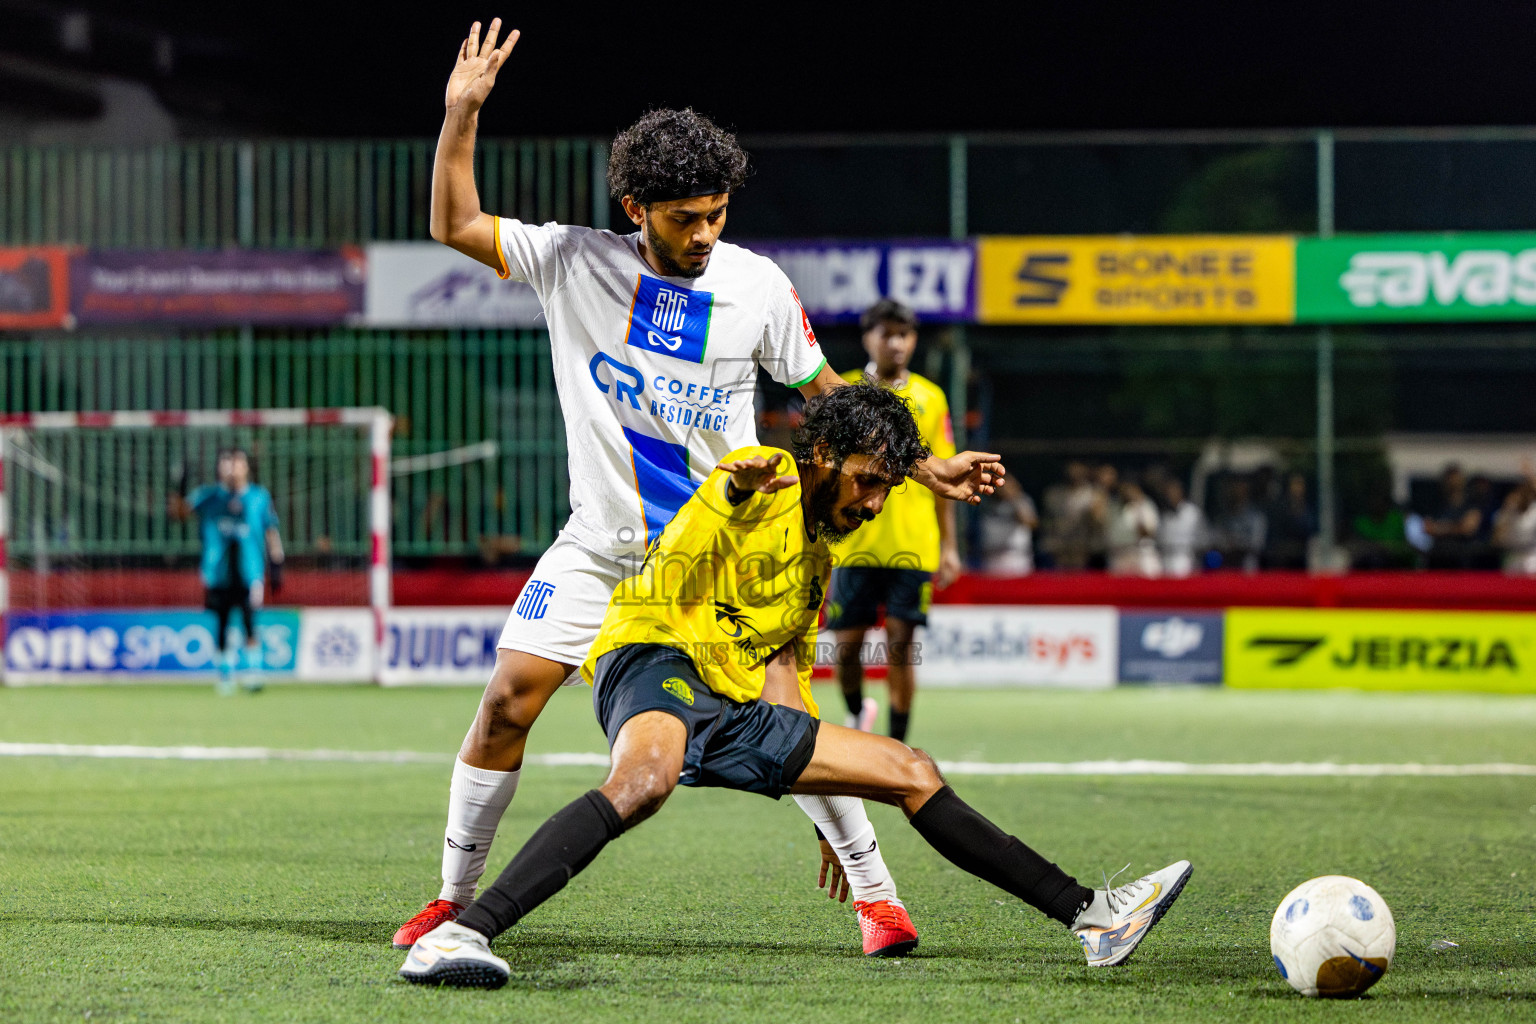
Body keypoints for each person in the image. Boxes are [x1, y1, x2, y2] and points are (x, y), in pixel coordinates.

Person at [396, 18, 1006, 955]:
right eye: (688, 218)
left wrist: (922, 465)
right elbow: (453, 223)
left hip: (723, 553)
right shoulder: (572, 261)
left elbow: (830, 401)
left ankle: (880, 902)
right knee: (506, 703)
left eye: (719, 214)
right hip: (602, 546)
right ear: (637, 206)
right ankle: (452, 897)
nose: (706, 234)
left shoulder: (756, 286)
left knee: (793, 714)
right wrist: (459, 115)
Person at [397, 385, 1192, 988]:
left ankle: (1092, 916)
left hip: (735, 706)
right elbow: (717, 510)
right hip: (656, 654)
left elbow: (787, 682)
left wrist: (823, 798)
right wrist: (733, 490)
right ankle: (465, 930)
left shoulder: (820, 561)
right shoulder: (772, 475)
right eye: (866, 480)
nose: (874, 501)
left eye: (888, 488)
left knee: (911, 771)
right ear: (822, 459)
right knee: (644, 780)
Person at [825, 299, 960, 743]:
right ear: (868, 338)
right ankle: (855, 711)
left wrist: (949, 546)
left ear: (914, 340)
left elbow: (943, 475)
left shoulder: (931, 397)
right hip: (852, 543)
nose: (896, 343)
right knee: (845, 647)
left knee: (902, 646)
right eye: (887, 334)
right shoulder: (842, 389)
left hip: (913, 544)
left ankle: (898, 743)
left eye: (904, 335)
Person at [170, 447, 284, 695]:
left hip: (250, 570)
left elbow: (271, 531)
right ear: (219, 467)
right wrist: (178, 489)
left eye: (237, 462)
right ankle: (225, 675)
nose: (232, 467)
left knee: (249, 619)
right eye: (226, 462)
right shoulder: (208, 496)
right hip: (217, 570)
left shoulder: (258, 497)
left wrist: (277, 563)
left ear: (246, 467)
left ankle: (253, 672)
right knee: (221, 622)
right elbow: (178, 515)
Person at [980, 475, 1038, 574]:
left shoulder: (1021, 501)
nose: (1005, 489)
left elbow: (1031, 523)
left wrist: (1014, 499)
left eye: (1009, 485)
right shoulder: (987, 503)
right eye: (1002, 486)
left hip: (1017, 558)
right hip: (992, 558)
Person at [1107, 479, 1160, 576]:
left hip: (1141, 555)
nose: (1127, 492)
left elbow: (1148, 533)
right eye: (1124, 489)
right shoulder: (1116, 507)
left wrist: (1138, 511)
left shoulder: (1146, 505)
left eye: (1130, 489)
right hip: (1120, 555)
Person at [1157, 478, 1207, 578]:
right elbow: (1160, 539)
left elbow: (1204, 538)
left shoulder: (1192, 513)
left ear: (1181, 492)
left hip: (1187, 561)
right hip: (1166, 563)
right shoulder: (1165, 516)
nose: (1171, 495)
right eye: (1168, 492)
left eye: (1173, 491)